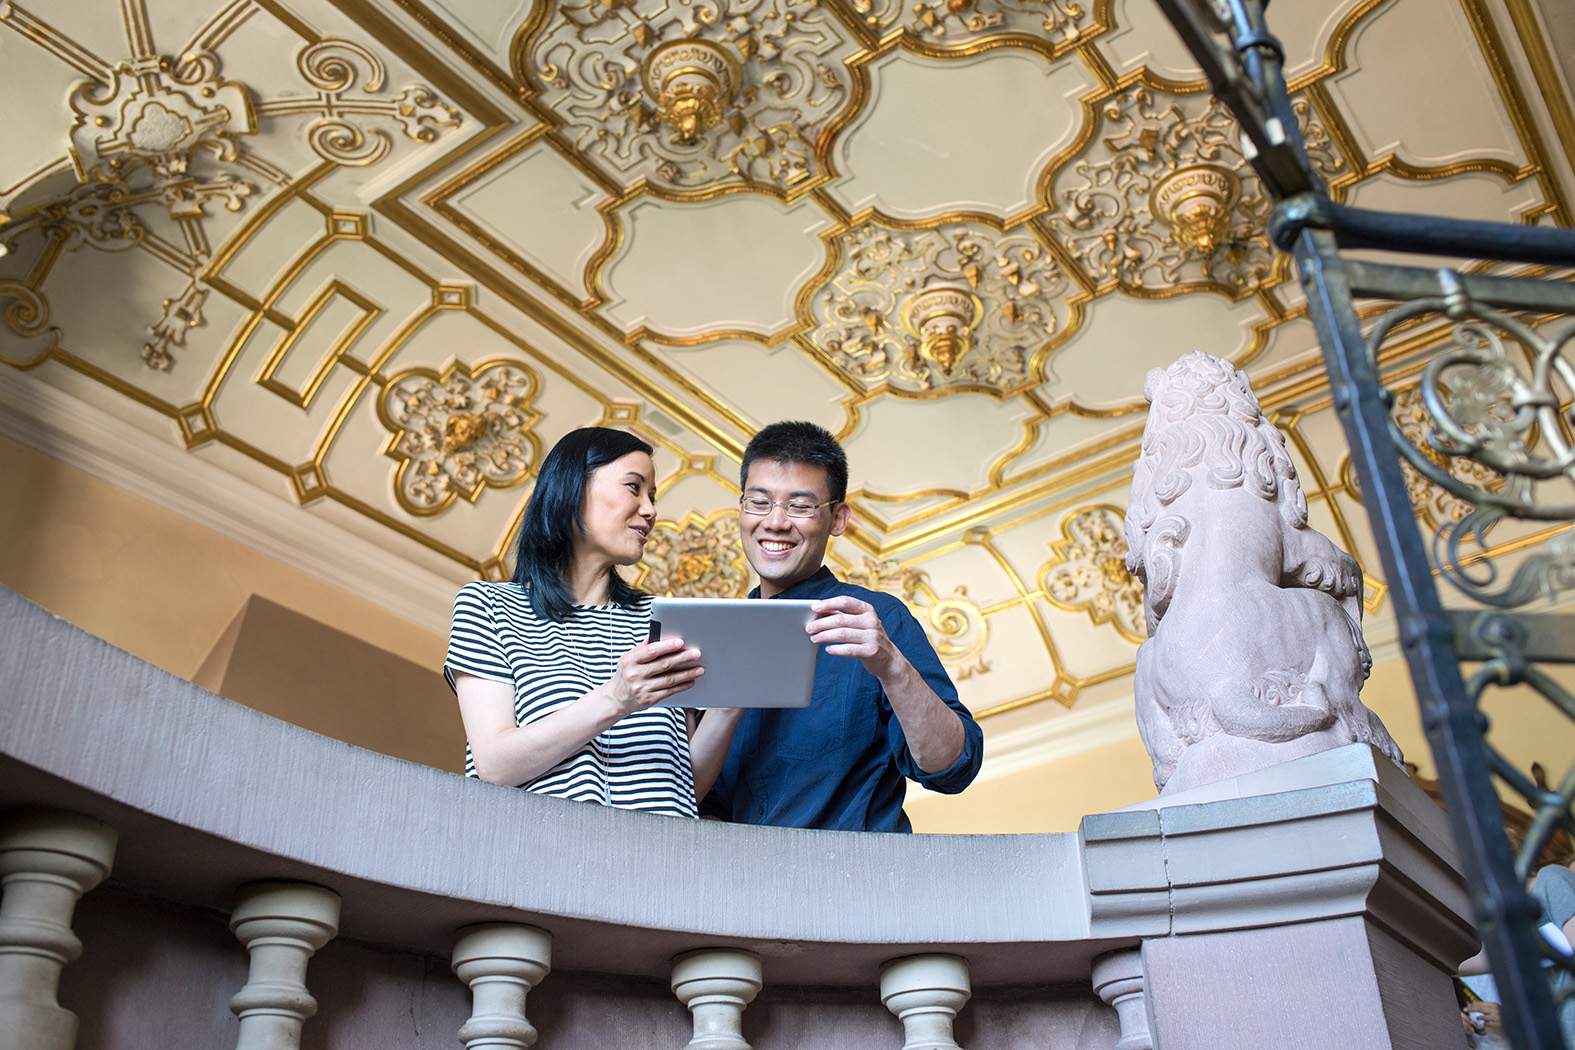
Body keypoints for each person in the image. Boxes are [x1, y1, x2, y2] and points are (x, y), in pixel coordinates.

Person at [700, 421, 983, 831]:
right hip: (737, 869)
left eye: (800, 506)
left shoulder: (878, 619)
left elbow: (952, 768)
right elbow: (689, 798)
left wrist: (892, 667)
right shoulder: (711, 637)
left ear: (837, 518)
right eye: (759, 502)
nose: (775, 522)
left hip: (855, 869)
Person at [444, 427, 741, 817]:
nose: (651, 511)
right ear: (573, 488)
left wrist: (729, 707)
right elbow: (495, 765)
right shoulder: (490, 606)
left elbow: (685, 788)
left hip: (662, 849)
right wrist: (617, 698)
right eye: (634, 487)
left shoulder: (666, 620)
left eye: (652, 497)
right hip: (541, 847)